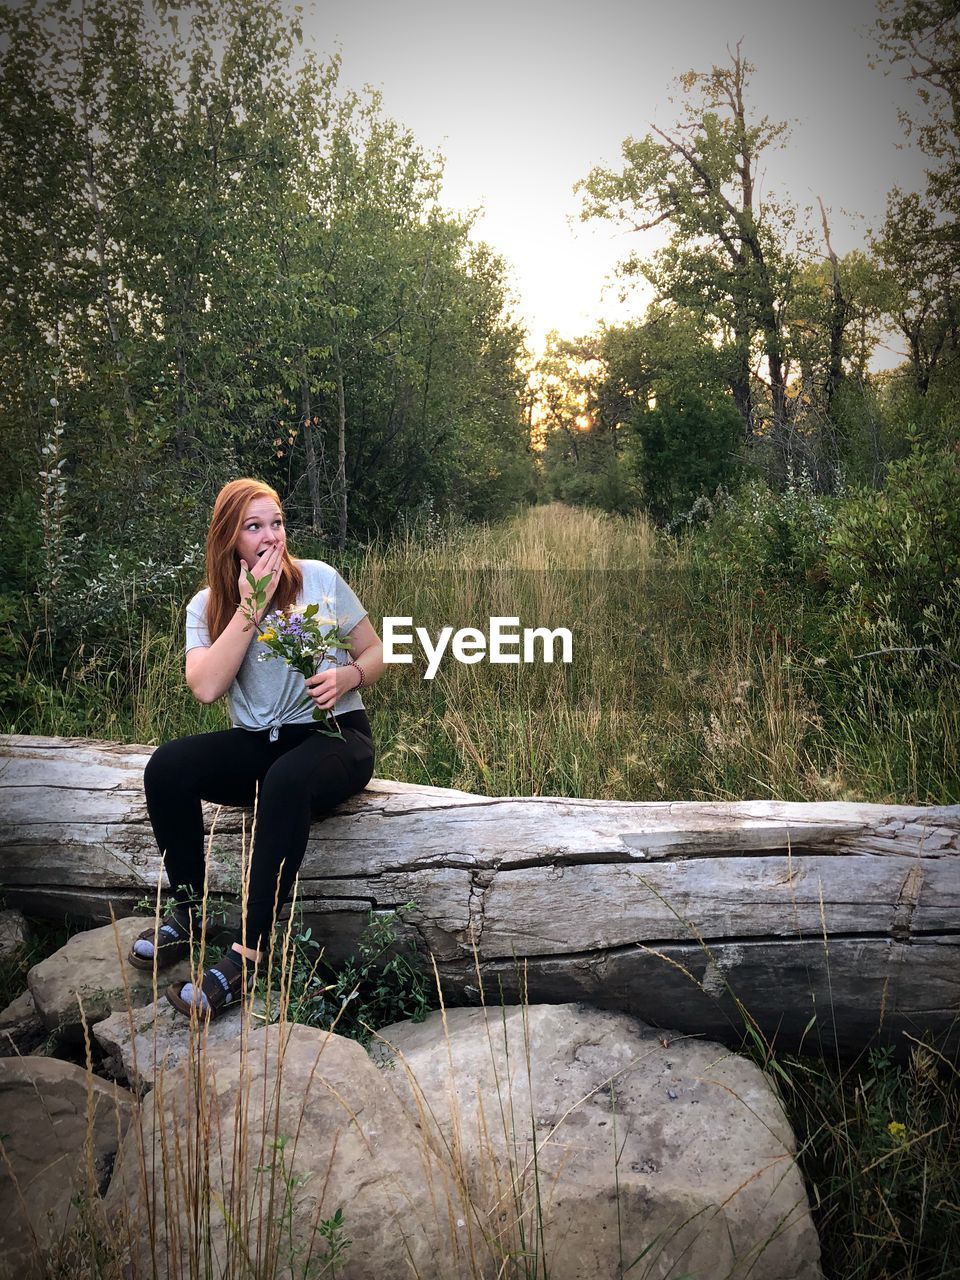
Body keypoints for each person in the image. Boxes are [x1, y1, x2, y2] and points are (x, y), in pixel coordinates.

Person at [130, 478, 383, 1019]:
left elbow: (377, 651)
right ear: (229, 539)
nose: (271, 537)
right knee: (167, 767)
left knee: (285, 781)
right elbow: (205, 687)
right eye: (254, 527)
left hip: (334, 736)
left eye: (277, 523)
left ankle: (249, 954)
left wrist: (349, 675)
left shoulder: (318, 579)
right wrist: (250, 608)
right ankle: (189, 913)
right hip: (260, 742)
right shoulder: (208, 606)